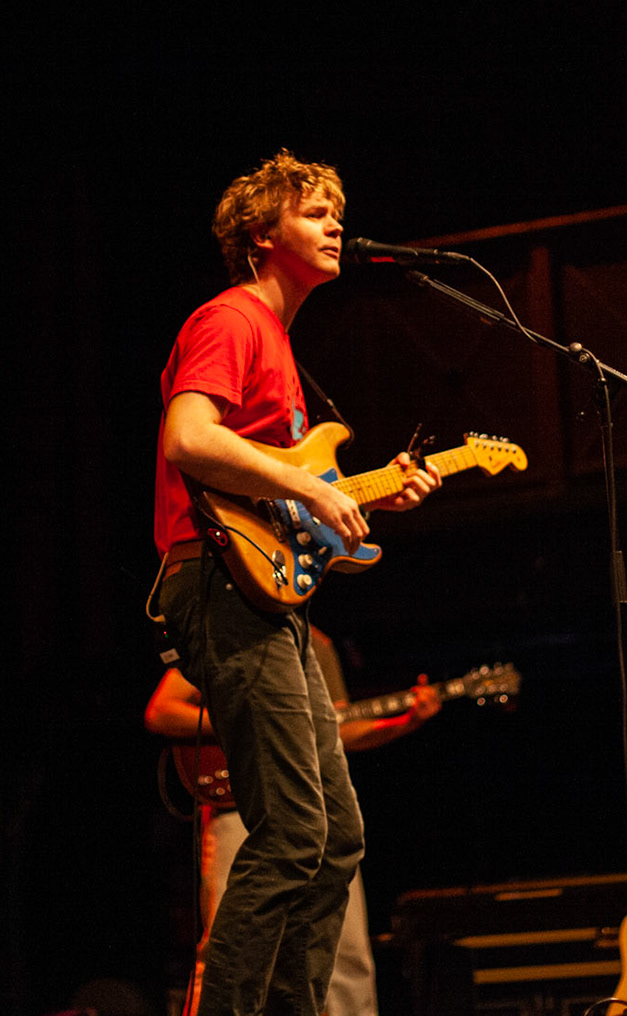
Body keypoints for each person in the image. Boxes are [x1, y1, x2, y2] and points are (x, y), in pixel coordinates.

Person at [154, 150, 442, 1016]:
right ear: (259, 234)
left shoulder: (279, 346)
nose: (335, 225)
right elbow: (188, 439)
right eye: (314, 212)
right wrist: (312, 488)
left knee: (336, 836)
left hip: (261, 592)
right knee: (290, 833)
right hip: (218, 584)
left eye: (336, 212)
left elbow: (276, 496)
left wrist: (369, 494)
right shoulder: (232, 319)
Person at [145, 631, 442, 1016]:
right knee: (232, 951)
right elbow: (163, 710)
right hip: (244, 811)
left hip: (317, 810)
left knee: (345, 954)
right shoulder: (228, 630)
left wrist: (405, 722)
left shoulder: (318, 644)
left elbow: (336, 730)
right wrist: (249, 724)